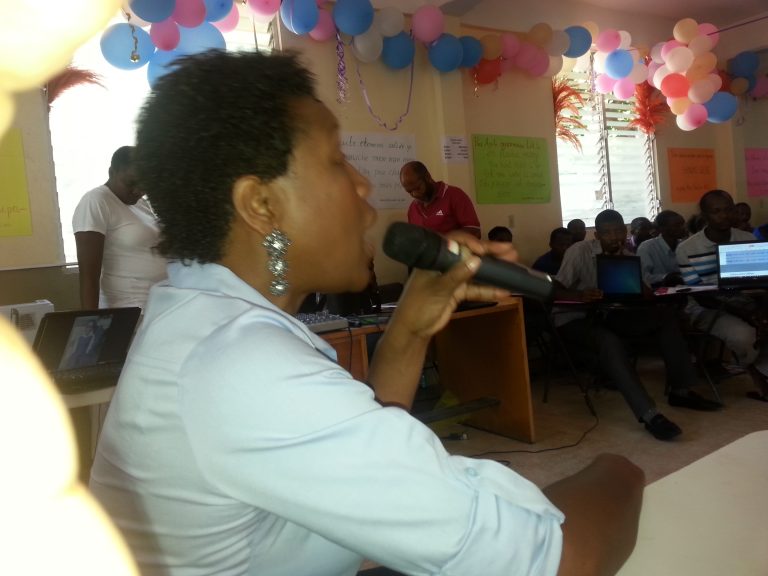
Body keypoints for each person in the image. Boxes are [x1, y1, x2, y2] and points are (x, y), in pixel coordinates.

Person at [89, 51, 645, 576]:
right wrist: (621, 468)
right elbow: (559, 561)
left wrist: (410, 326)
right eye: (337, 160)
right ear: (260, 204)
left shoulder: (200, 320)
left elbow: (363, 448)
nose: (363, 185)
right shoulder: (239, 364)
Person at [554, 209, 721, 441]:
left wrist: (640, 285)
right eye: (607, 233)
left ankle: (681, 391)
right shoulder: (579, 251)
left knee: (665, 317)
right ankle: (649, 414)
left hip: (609, 315)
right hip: (574, 318)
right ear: (597, 235)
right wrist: (580, 295)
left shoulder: (627, 255)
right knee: (609, 342)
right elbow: (555, 289)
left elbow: (642, 294)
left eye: (618, 231)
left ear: (625, 232)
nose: (614, 237)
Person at [676, 190, 768, 402]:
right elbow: (702, 297)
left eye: (728, 210)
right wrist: (748, 315)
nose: (724, 216)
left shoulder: (747, 239)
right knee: (746, 336)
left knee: (763, 327)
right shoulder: (687, 248)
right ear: (705, 215)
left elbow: (759, 283)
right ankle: (757, 373)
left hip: (746, 303)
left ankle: (761, 372)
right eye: (716, 211)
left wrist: (761, 311)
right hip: (707, 308)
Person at [72, 146, 167, 310]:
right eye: (130, 183)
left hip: (158, 304)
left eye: (144, 185)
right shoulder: (96, 201)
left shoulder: (141, 204)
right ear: (112, 172)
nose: (137, 191)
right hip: (128, 308)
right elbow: (89, 276)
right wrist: (91, 320)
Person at [400, 161, 481, 238]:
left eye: (418, 188)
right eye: (409, 192)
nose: (415, 194)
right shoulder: (413, 208)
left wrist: (443, 240)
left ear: (427, 177)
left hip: (452, 247)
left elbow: (475, 231)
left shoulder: (455, 195)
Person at [637, 210, 686, 288]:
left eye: (683, 224)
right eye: (677, 225)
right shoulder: (646, 247)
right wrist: (665, 277)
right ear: (662, 228)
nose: (683, 228)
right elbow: (643, 278)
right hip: (658, 293)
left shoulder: (684, 245)